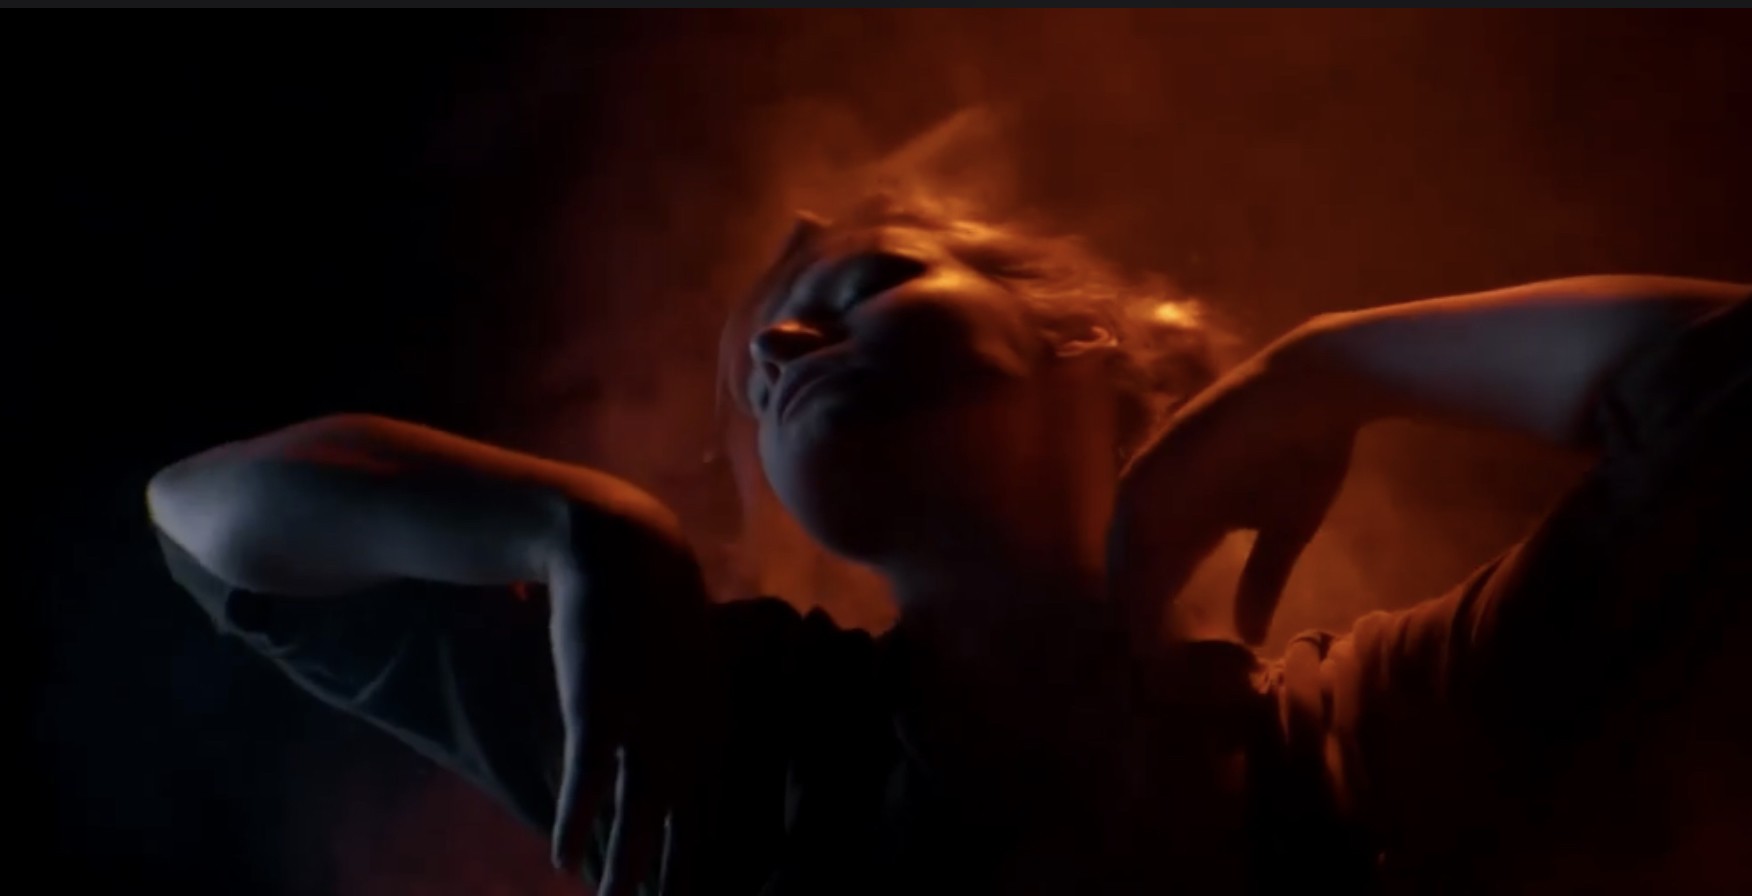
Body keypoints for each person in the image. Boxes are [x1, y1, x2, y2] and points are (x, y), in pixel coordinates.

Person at [147, 193, 1751, 895]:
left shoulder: (1351, 734)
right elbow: (207, 520)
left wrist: (1335, 366)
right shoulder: (726, 737)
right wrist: (575, 522)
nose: (780, 343)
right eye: (762, 355)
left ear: (1091, 350)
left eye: (864, 285)